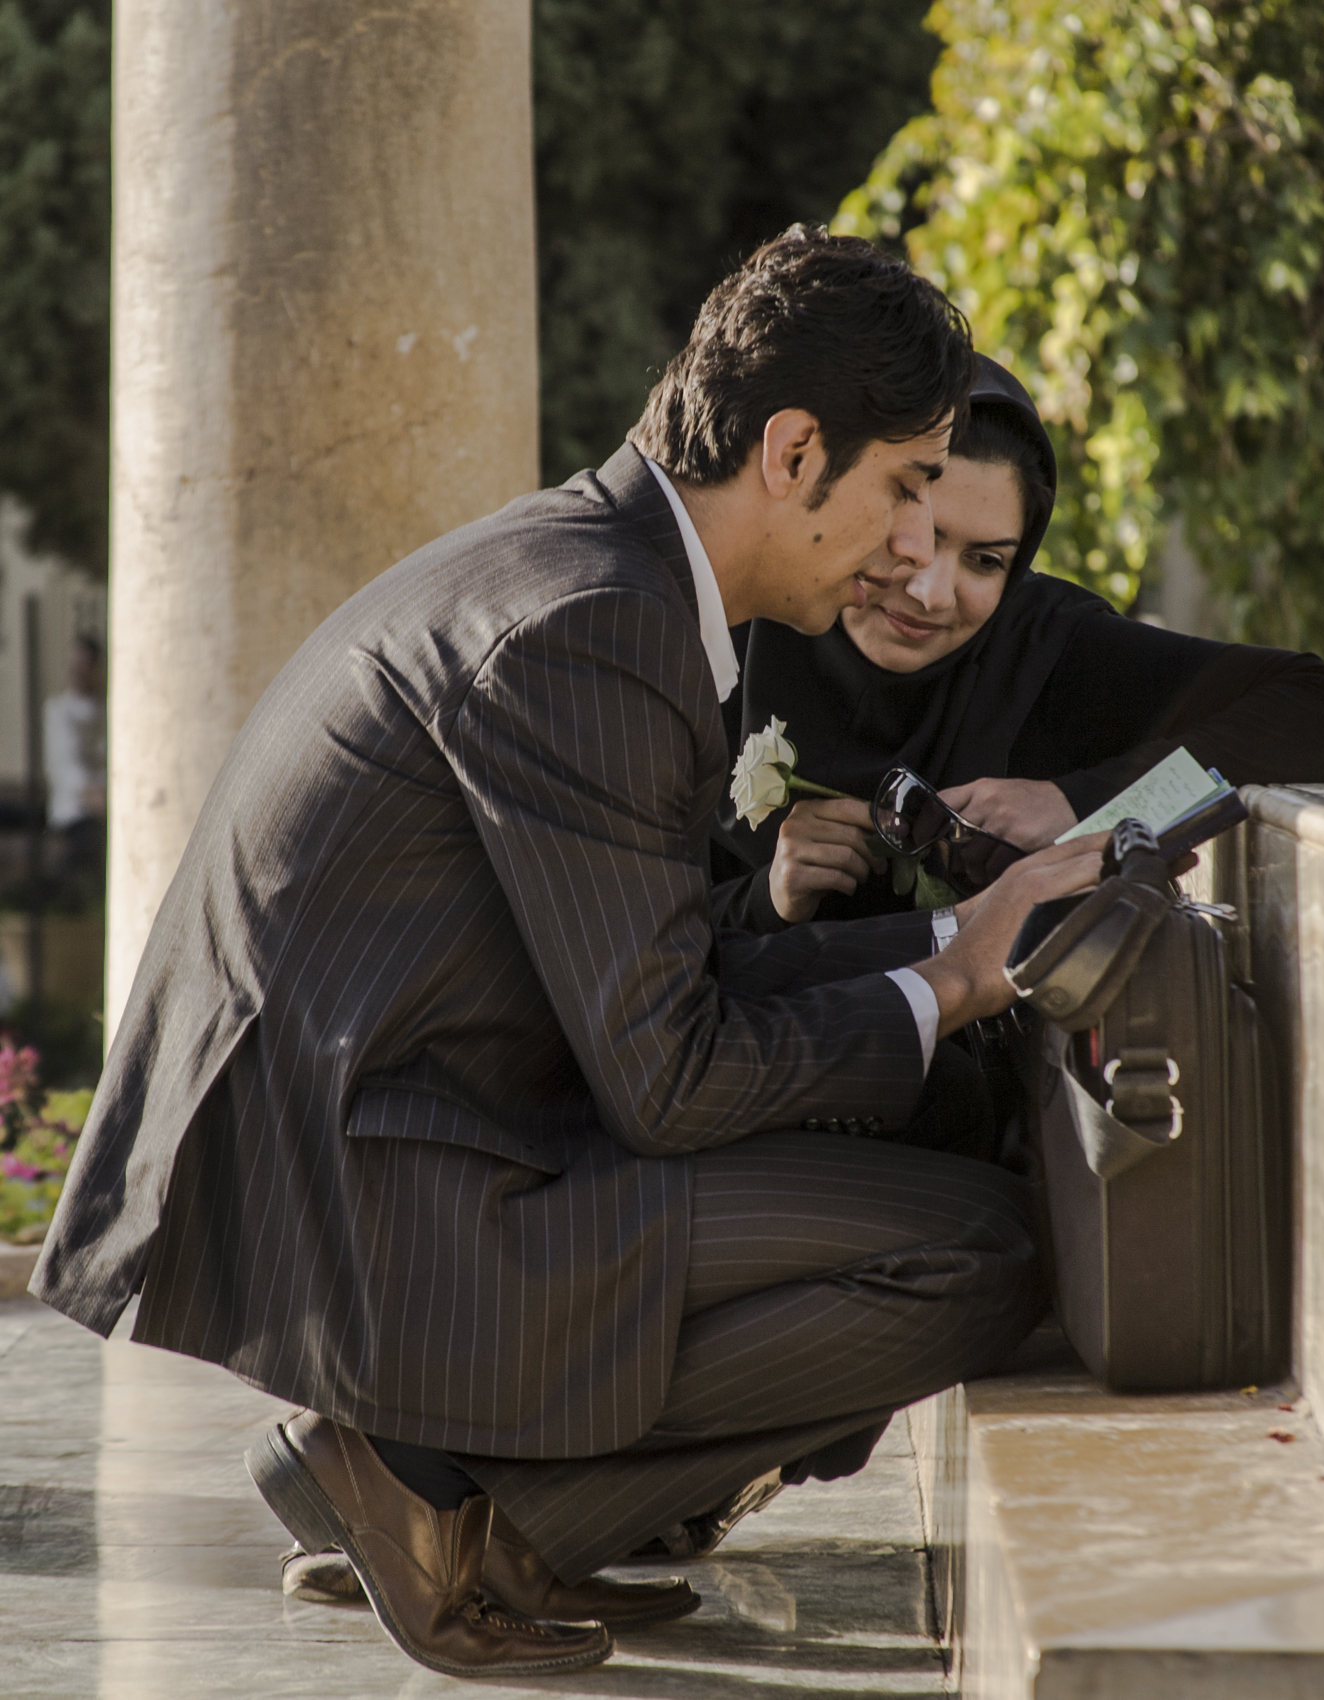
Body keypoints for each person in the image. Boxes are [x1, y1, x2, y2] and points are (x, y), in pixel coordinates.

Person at [31, 230, 1108, 1681]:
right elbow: (667, 1076)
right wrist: (953, 984)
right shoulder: (596, 629)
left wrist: (950, 937)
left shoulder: (596, 570)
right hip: (381, 1211)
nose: (913, 545)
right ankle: (448, 1496)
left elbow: (674, 973)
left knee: (954, 1125)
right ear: (793, 453)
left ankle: (410, 1466)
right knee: (981, 1248)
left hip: (399, 1141)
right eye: (905, 487)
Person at [709, 355, 1324, 935]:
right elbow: (627, 954)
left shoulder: (1046, 646)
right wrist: (766, 897)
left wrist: (1088, 799)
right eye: (913, 537)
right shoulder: (743, 632)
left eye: (985, 561)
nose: (932, 593)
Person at [43, 635, 107, 887]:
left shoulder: (105, 709)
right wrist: (94, 796)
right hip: (75, 810)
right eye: (75, 666)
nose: (80, 672)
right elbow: (67, 766)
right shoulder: (59, 710)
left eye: (86, 666)